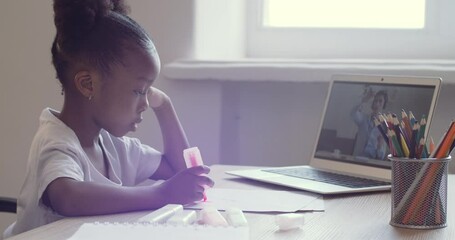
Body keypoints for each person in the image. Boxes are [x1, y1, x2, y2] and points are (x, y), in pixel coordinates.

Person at [5, 0, 214, 237]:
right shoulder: (55, 142)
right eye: (138, 91)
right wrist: (162, 194)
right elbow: (67, 196)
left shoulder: (114, 146)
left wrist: (164, 106)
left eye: (148, 91)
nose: (145, 103)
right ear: (88, 84)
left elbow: (181, 172)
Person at [350, 88, 389, 160]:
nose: (377, 104)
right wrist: (364, 100)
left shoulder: (385, 126)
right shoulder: (363, 119)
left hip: (372, 163)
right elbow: (353, 112)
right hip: (357, 159)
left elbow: (381, 156)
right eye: (375, 101)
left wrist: (380, 146)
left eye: (380, 101)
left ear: (384, 104)